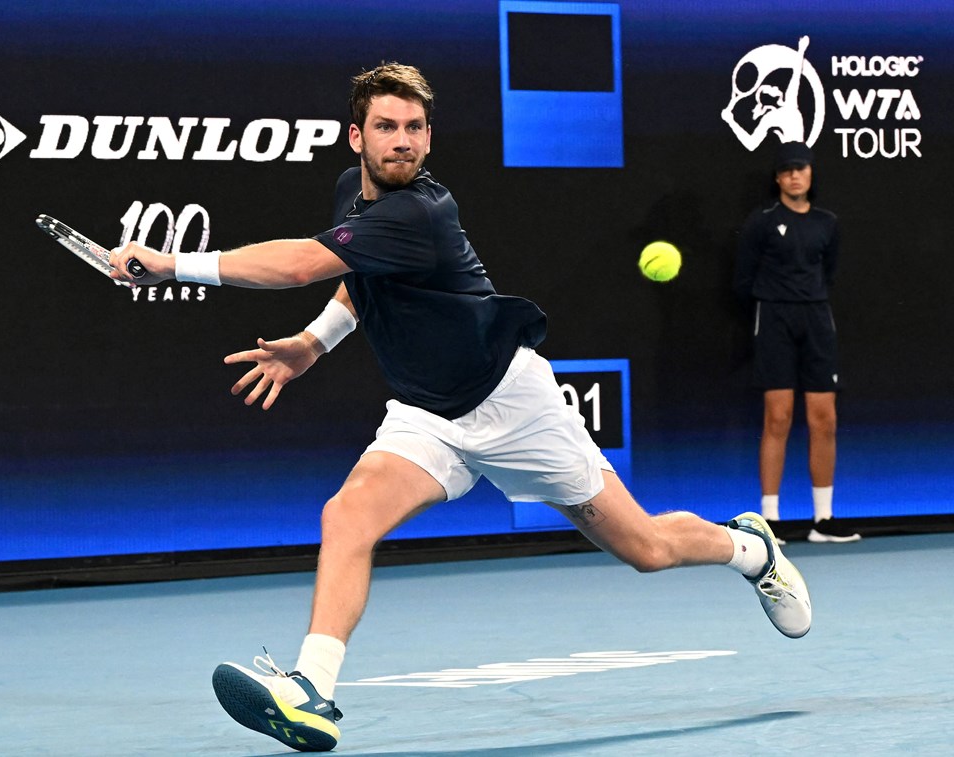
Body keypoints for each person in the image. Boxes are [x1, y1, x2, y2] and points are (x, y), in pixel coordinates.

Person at [110, 63, 812, 753]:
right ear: (355, 137)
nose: (402, 140)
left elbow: (300, 266)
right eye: (386, 126)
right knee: (347, 515)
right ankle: (312, 689)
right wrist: (311, 344)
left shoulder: (421, 210)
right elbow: (357, 280)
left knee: (647, 549)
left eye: (415, 127)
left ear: (429, 137)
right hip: (426, 415)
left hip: (513, 404)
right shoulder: (349, 199)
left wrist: (172, 265)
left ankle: (751, 549)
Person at [734, 141, 860, 544]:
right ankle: (768, 522)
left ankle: (823, 520)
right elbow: (743, 279)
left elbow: (832, 273)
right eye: (787, 169)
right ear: (778, 178)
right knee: (779, 417)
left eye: (801, 168)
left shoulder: (828, 222)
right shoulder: (762, 221)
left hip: (818, 320)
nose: (794, 175)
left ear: (810, 174)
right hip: (774, 320)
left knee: (825, 418)